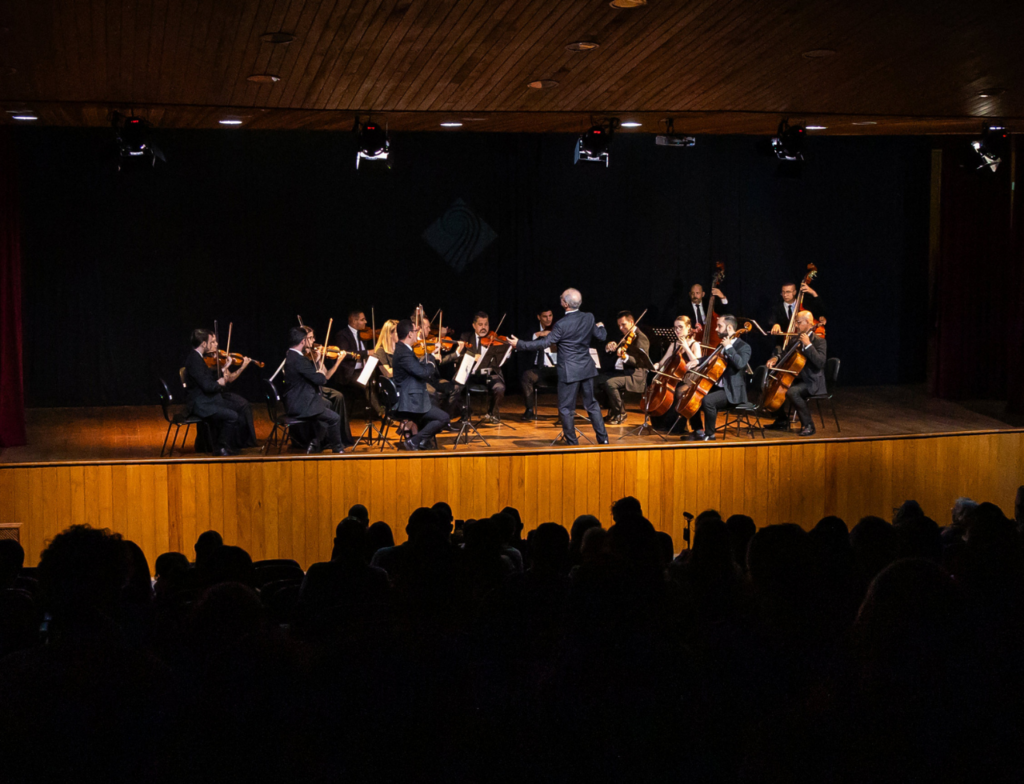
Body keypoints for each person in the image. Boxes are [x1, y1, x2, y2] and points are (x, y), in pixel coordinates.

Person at [509, 288, 609, 445]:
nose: (560, 300)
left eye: (562, 298)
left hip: (569, 371)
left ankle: (572, 443)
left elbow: (544, 343)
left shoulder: (561, 324)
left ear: (565, 304)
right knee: (592, 405)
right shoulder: (589, 317)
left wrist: (519, 344)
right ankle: (603, 440)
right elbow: (602, 336)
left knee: (566, 409)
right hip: (586, 369)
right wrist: (601, 326)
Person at [183, 328, 256, 456]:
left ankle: (234, 443)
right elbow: (207, 386)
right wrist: (220, 382)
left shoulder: (197, 357)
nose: (216, 345)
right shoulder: (195, 361)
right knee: (232, 416)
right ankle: (220, 448)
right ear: (204, 344)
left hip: (207, 399)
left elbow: (208, 381)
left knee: (239, 406)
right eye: (213, 342)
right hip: (200, 403)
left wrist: (225, 369)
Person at [282, 326, 349, 454]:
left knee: (327, 404)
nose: (312, 341)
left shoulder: (290, 354)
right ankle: (338, 450)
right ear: (302, 341)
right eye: (309, 339)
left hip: (297, 399)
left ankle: (315, 442)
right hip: (300, 404)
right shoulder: (300, 360)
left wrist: (317, 363)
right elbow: (321, 380)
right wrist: (318, 367)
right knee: (334, 418)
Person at [684, 314, 751, 441]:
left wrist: (729, 347)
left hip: (732, 391)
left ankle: (710, 434)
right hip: (718, 386)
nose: (716, 329)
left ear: (730, 328)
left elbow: (740, 363)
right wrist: (698, 361)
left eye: (719, 326)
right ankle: (698, 430)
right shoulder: (722, 344)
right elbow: (713, 357)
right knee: (693, 395)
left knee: (708, 400)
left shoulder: (744, 347)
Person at [392, 319, 451, 450]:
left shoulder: (404, 349)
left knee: (434, 400)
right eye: (415, 331)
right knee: (444, 418)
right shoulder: (404, 353)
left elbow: (417, 368)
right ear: (409, 335)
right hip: (410, 402)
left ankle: (423, 441)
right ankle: (416, 441)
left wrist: (429, 355)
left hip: (414, 396)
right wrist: (431, 359)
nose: (417, 333)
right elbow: (423, 373)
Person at [766, 309, 827, 436]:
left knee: (792, 392)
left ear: (809, 323)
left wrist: (808, 345)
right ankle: (782, 419)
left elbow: (820, 363)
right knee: (768, 384)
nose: (796, 326)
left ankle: (809, 425)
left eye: (798, 322)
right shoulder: (795, 340)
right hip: (796, 379)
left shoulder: (819, 341)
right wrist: (775, 358)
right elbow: (784, 354)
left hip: (812, 381)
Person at [451, 311, 507, 425]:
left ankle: (492, 413)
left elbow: (501, 356)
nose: (484, 328)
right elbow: (458, 357)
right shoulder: (466, 337)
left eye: (486, 324)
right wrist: (471, 358)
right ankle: (465, 411)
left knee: (499, 388)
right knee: (454, 387)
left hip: (489, 374)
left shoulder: (495, 340)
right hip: (470, 374)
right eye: (480, 324)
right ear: (474, 325)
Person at [596, 310, 650, 424]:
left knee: (611, 383)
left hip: (635, 375)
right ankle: (612, 411)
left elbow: (640, 362)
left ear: (631, 322)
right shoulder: (624, 336)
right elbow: (612, 353)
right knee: (598, 380)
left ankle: (620, 413)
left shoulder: (641, 338)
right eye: (619, 325)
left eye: (623, 324)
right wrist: (609, 346)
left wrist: (625, 357)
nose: (621, 328)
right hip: (623, 372)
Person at [519, 306, 558, 421]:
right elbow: (524, 343)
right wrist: (537, 335)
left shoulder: (558, 328)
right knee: (526, 376)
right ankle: (529, 410)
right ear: (539, 317)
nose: (548, 319)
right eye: (545, 317)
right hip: (539, 369)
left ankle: (564, 414)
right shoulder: (531, 330)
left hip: (556, 368)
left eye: (550, 316)